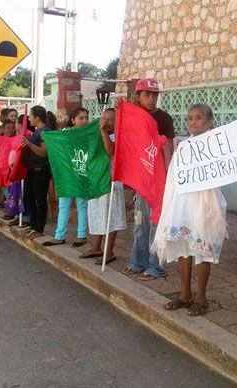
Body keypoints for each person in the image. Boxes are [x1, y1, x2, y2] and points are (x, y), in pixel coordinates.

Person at [152, 103, 227, 316]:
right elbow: (174, 176)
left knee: (202, 250)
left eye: (199, 118)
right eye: (190, 118)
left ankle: (201, 297)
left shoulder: (217, 144)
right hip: (184, 203)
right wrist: (168, 152)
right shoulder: (183, 146)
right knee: (185, 248)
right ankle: (185, 294)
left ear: (209, 121)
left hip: (205, 204)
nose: (193, 122)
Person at [121, 78, 176, 280]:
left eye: (154, 95)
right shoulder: (133, 116)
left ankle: (156, 266)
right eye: (147, 95)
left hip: (158, 179)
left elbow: (168, 146)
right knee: (140, 222)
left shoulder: (164, 118)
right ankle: (138, 262)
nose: (151, 99)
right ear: (138, 96)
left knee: (156, 224)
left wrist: (169, 175)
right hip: (140, 177)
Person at [80, 108, 128, 264]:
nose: (106, 122)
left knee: (110, 217)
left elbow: (109, 151)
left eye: (111, 120)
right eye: (104, 118)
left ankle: (109, 251)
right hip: (97, 181)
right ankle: (96, 247)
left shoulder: (118, 136)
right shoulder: (96, 134)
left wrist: (103, 133)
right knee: (97, 214)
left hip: (111, 181)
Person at [43, 107, 90, 247]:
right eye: (81, 118)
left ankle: (81, 235)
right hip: (67, 174)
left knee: (82, 204)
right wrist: (47, 137)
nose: (84, 121)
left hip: (82, 172)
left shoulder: (89, 134)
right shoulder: (65, 133)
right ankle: (59, 235)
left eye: (86, 118)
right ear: (73, 120)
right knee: (64, 205)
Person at [21, 105, 52, 238]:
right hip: (31, 170)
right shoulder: (36, 131)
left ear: (37, 117)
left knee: (40, 199)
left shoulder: (45, 132)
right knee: (28, 197)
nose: (28, 118)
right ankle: (32, 224)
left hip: (40, 170)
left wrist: (30, 144)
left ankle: (39, 227)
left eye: (30, 116)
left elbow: (44, 153)